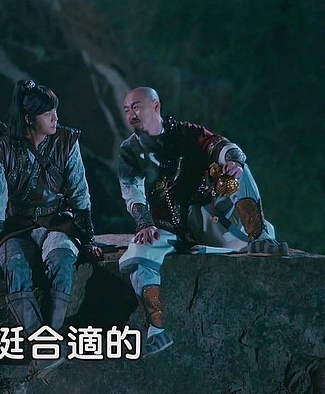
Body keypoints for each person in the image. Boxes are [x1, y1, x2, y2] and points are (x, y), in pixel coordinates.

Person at [117, 87, 288, 356]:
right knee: (139, 257)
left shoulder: (187, 132)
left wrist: (232, 161)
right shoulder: (129, 150)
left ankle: (259, 236)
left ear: (156, 106)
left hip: (206, 217)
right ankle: (157, 331)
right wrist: (144, 222)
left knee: (239, 172)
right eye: (127, 110)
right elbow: (132, 190)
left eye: (136, 107)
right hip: (163, 226)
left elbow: (221, 146)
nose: (131, 115)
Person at [0, 79, 102, 379]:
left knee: (61, 259)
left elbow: (80, 193)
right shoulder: (4, 148)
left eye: (55, 111)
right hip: (17, 227)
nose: (55, 118)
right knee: (14, 266)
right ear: (29, 119)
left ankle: (51, 340)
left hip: (57, 221)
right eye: (47, 113)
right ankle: (43, 345)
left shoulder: (67, 141)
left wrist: (88, 240)